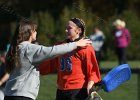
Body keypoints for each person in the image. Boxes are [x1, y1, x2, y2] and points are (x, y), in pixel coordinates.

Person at [4, 19, 92, 100]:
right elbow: (52, 51)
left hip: (8, 94)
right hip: (22, 96)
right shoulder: (29, 49)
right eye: (35, 30)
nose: (36, 32)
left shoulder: (15, 48)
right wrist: (76, 44)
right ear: (30, 32)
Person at [39, 18, 101, 100]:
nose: (66, 30)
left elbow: (92, 70)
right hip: (61, 90)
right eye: (66, 28)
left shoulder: (86, 48)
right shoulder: (60, 46)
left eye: (69, 28)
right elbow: (50, 64)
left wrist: (90, 84)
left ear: (78, 30)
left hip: (78, 91)